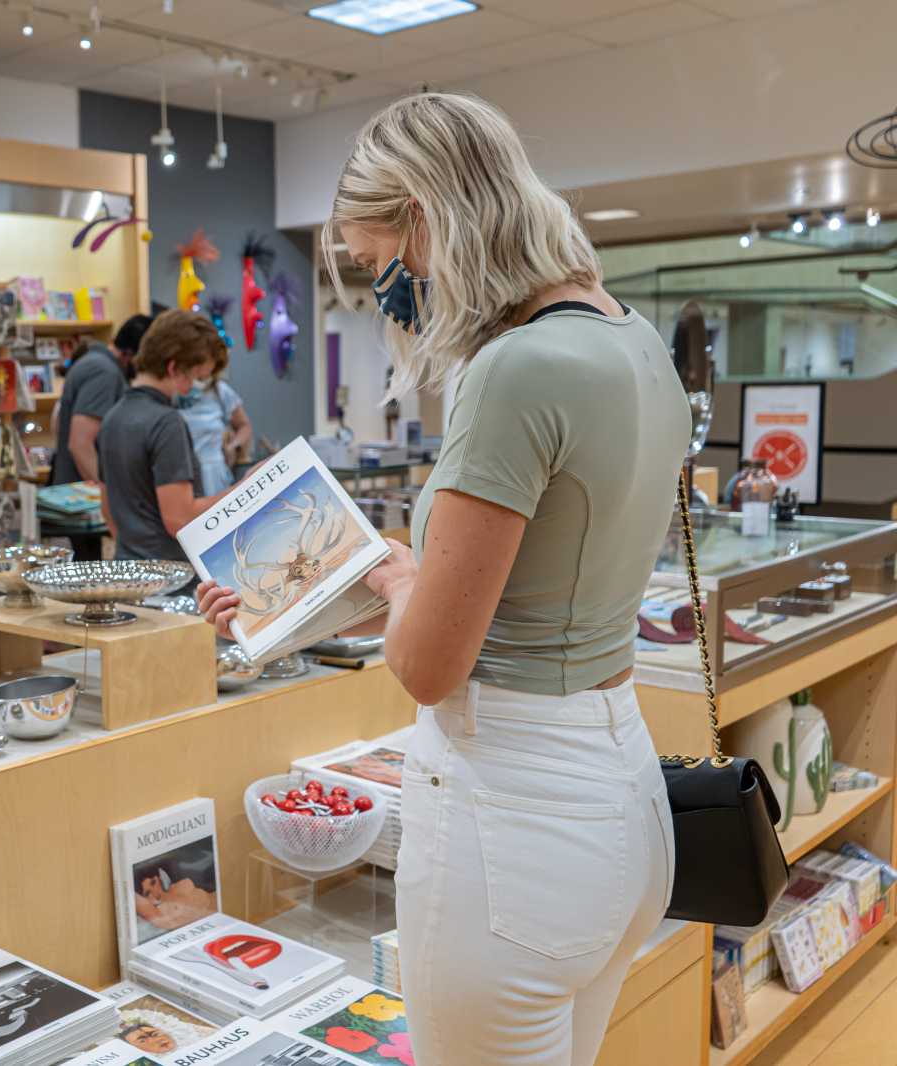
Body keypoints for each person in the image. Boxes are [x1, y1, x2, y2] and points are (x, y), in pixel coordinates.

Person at [198, 92, 689, 1066]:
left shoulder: (513, 370)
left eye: (378, 260)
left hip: (507, 822)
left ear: (426, 219)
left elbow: (426, 666)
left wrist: (392, 584)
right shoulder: (629, 340)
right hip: (620, 796)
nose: (384, 291)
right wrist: (418, 570)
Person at [97, 310, 232, 563]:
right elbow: (179, 519)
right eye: (196, 378)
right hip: (170, 582)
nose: (193, 388)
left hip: (128, 570)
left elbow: (108, 511)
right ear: (174, 368)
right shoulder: (167, 422)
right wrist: (246, 487)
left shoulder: (112, 417)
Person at [50, 313, 152, 486]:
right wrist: (111, 495)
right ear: (131, 354)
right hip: (85, 496)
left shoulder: (94, 363)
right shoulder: (104, 372)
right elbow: (80, 443)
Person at [176, 345, 252, 496]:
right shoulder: (171, 394)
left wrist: (233, 446)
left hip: (214, 474)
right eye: (198, 377)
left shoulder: (220, 391)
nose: (201, 380)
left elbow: (244, 426)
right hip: (181, 474)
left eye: (206, 376)